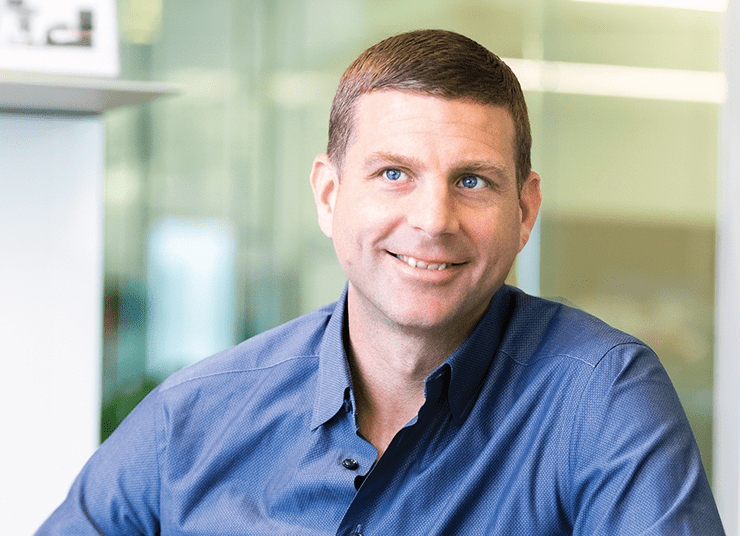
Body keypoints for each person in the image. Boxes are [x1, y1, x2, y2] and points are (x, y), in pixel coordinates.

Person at [38, 29, 724, 535]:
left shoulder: (599, 398)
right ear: (329, 194)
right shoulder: (190, 420)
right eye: (394, 173)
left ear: (524, 211)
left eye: (472, 181)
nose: (432, 220)